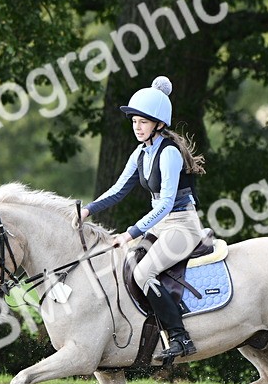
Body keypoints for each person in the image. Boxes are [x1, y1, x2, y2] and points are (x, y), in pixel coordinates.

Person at [79, 75, 207, 359]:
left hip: (182, 226)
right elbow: (117, 190)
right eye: (134, 121)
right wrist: (87, 210)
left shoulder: (169, 153)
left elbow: (166, 203)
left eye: (143, 122)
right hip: (160, 227)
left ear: (159, 124)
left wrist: (131, 232)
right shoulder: (140, 153)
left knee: (143, 272)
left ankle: (180, 337)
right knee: (121, 263)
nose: (137, 127)